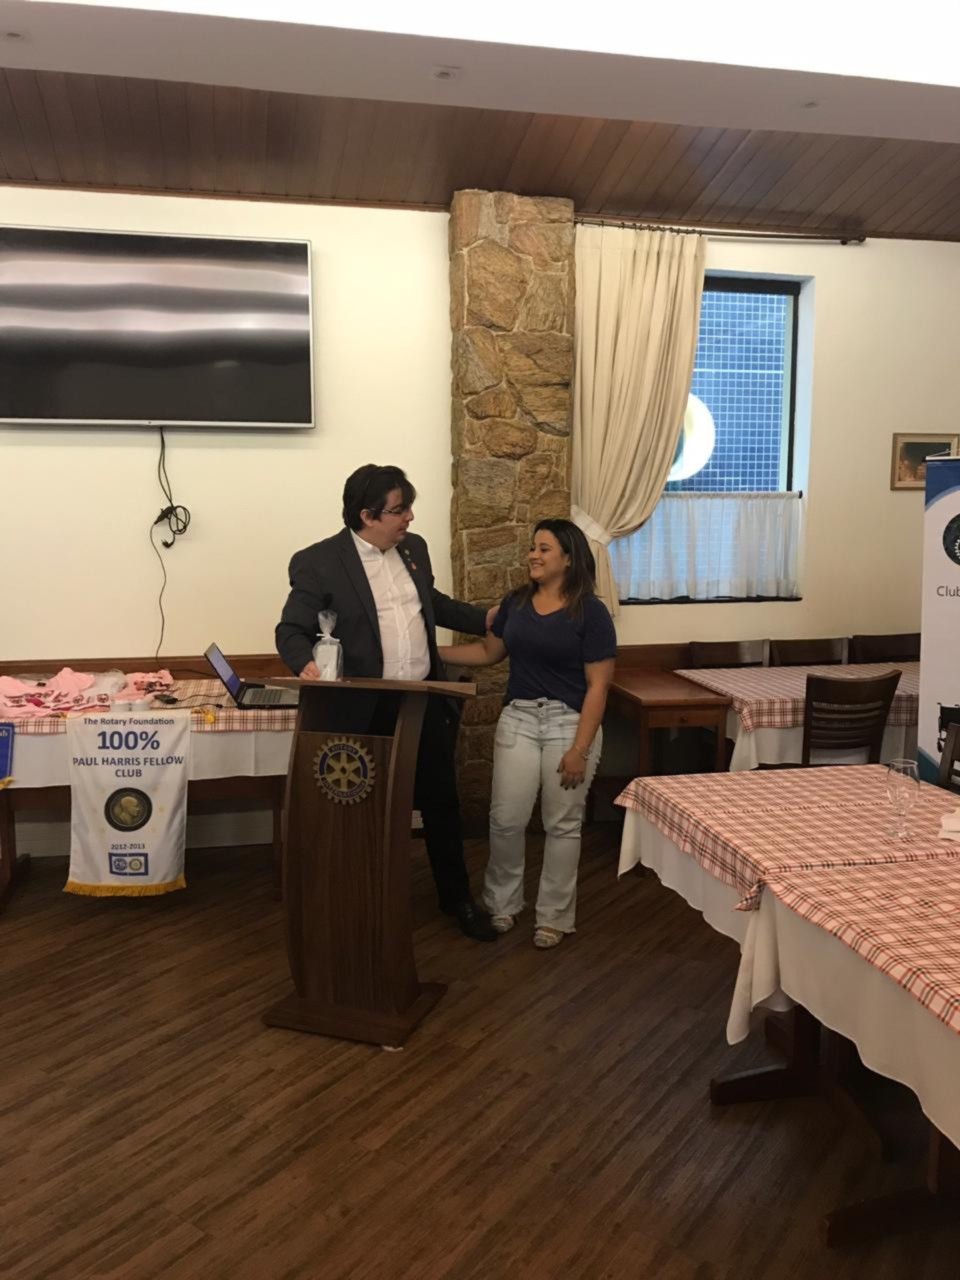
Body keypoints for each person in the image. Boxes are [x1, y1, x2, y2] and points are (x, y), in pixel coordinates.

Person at [276, 463, 498, 942]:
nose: (410, 517)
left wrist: (486, 619)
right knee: (358, 811)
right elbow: (290, 629)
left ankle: (457, 898)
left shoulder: (413, 549)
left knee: (441, 803)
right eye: (400, 510)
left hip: (422, 701)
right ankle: (356, 901)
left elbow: (431, 603)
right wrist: (304, 663)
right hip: (363, 711)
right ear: (367, 515)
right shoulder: (319, 561)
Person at [439, 518, 616, 949]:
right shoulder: (516, 603)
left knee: (562, 824)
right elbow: (488, 651)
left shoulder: (591, 612)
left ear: (569, 559)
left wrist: (579, 749)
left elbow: (598, 686)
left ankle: (554, 917)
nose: (533, 555)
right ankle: (502, 904)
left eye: (544, 549)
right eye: (532, 548)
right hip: (518, 719)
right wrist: (427, 653)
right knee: (505, 819)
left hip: (569, 724)